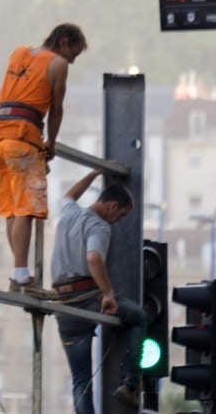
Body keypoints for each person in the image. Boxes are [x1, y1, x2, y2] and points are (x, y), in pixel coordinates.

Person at [0, 23, 86, 295]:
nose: (71, 61)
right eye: (72, 54)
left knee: (11, 210)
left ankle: (20, 273)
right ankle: (20, 276)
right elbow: (56, 110)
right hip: (23, 139)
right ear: (64, 42)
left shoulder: (18, 52)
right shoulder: (57, 64)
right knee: (26, 209)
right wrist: (50, 143)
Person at [50, 169, 145, 414]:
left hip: (63, 306)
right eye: (121, 214)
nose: (119, 220)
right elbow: (93, 258)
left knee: (81, 379)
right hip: (87, 299)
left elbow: (70, 194)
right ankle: (130, 384)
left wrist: (93, 174)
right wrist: (108, 293)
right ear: (112, 206)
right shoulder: (100, 226)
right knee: (138, 317)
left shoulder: (70, 213)